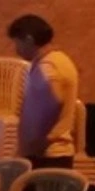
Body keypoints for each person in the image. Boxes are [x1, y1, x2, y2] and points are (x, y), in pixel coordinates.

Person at [10, 15, 78, 170]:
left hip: (46, 158)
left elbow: (51, 103)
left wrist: (33, 144)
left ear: (28, 39)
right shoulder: (61, 60)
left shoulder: (47, 66)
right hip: (55, 156)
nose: (16, 50)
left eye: (17, 43)